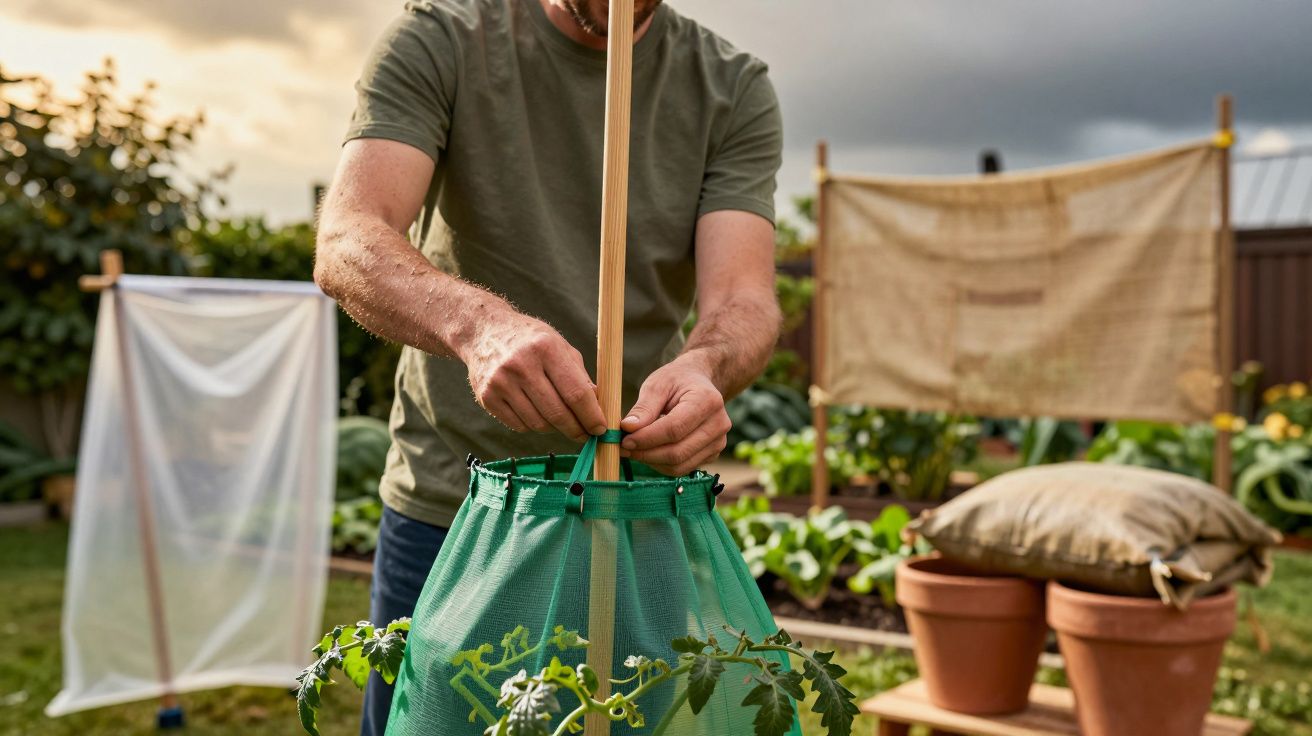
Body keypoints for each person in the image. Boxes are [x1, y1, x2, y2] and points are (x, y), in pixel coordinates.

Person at [313, 0, 783, 732]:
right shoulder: (445, 37)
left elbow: (744, 300)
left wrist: (705, 367)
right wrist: (479, 328)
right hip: (455, 510)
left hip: (631, 510)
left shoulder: (730, 86)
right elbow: (349, 237)